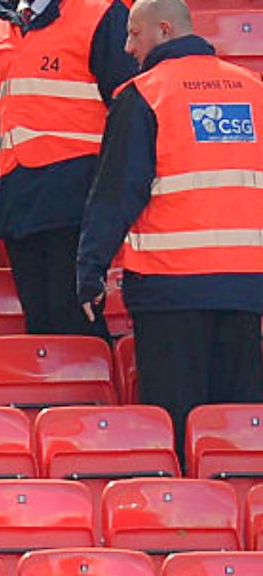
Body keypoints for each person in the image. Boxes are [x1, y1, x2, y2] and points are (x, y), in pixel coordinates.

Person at [77, 0, 263, 463]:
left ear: (163, 31)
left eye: (134, 35)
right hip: (246, 289)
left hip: (170, 291)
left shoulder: (143, 95)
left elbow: (116, 194)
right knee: (238, 428)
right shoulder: (253, 90)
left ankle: (184, 519)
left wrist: (90, 269)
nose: (126, 46)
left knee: (178, 427)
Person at [0, 0, 138, 338]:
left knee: (76, 327)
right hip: (20, 208)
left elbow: (132, 114)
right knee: (42, 330)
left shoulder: (100, 14)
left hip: (78, 207)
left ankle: (90, 391)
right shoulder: (1, 29)